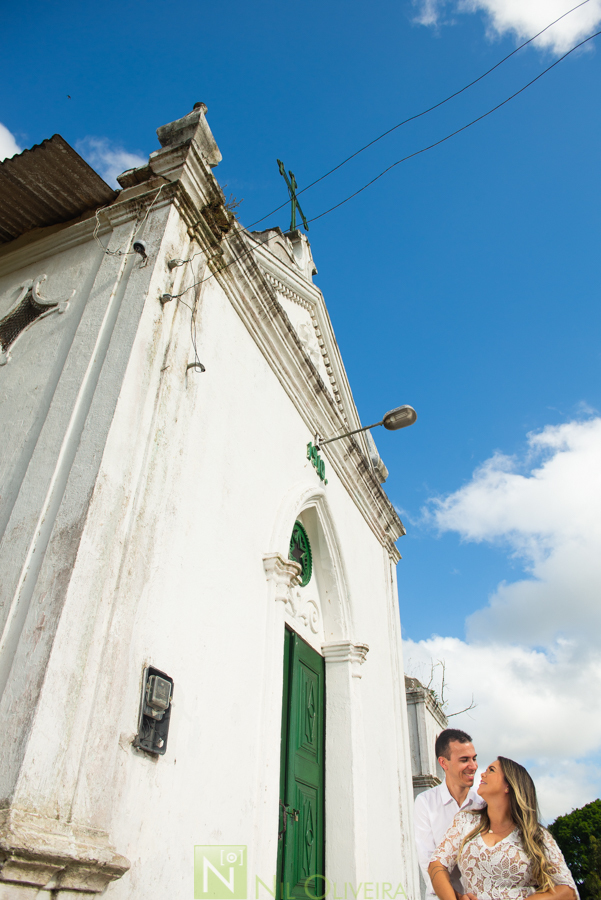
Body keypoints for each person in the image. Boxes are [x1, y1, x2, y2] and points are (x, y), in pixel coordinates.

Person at [428, 756, 578, 900]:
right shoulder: (465, 821)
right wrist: (456, 897)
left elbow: (568, 890)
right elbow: (436, 865)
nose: (483, 774)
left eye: (491, 770)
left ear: (508, 785)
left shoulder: (536, 834)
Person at [414, 728, 484, 898]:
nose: (473, 766)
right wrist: (458, 897)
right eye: (464, 760)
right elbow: (428, 864)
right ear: (444, 763)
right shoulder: (425, 802)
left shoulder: (483, 804)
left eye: (474, 759)